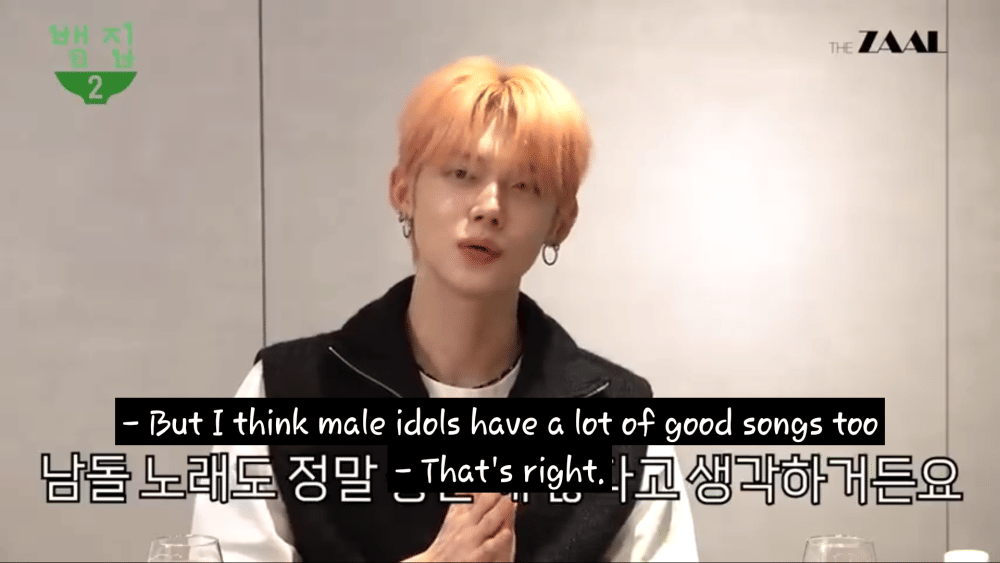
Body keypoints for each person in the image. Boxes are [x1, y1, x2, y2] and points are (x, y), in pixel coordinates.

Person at [191, 56, 699, 562]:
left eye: (524, 185)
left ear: (561, 223)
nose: (489, 207)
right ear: (402, 191)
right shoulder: (285, 391)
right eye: (461, 173)